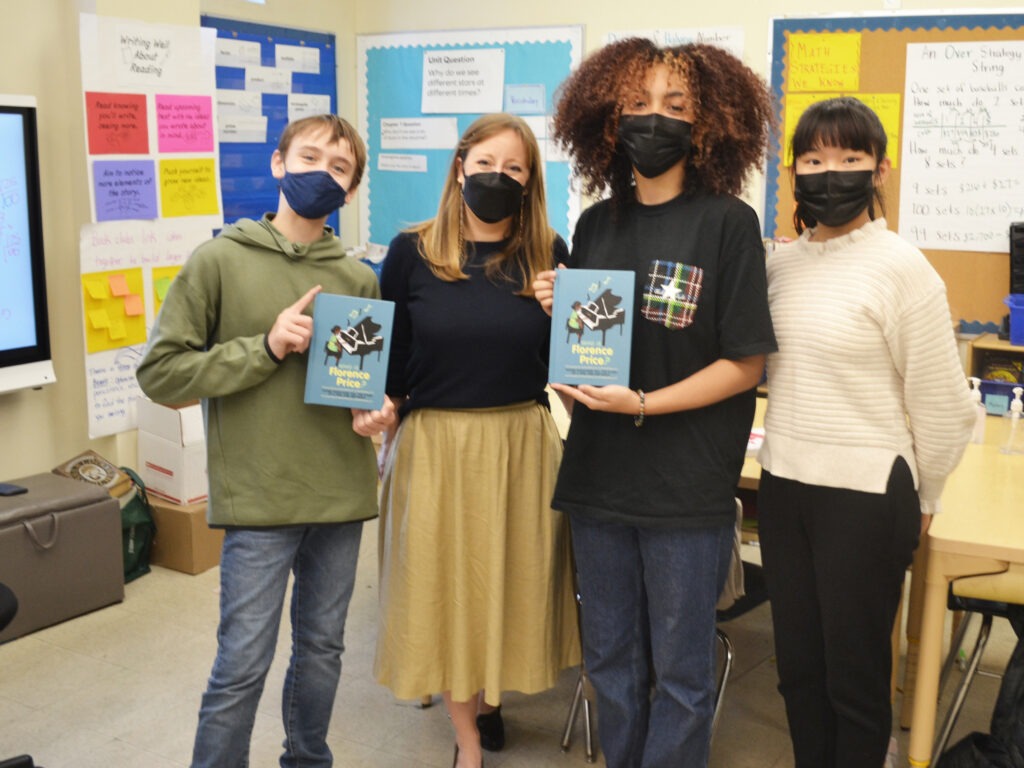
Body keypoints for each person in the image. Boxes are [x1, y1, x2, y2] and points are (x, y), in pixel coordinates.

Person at [533, 39, 776, 768]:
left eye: (675, 106)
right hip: (599, 479)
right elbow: (592, 347)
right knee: (609, 660)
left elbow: (745, 363)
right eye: (636, 105)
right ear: (606, 120)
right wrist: (558, 306)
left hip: (685, 486)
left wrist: (642, 403)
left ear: (706, 125)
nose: (652, 120)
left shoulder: (728, 223)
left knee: (681, 673)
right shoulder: (597, 226)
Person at [136, 114, 395, 768]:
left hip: (340, 495)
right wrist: (266, 348)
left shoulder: (361, 279)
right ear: (278, 164)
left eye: (338, 168)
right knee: (242, 662)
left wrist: (377, 413)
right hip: (258, 499)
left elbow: (365, 388)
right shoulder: (220, 260)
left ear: (352, 187)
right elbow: (162, 374)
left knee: (323, 654)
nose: (320, 174)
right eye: (307, 157)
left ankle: (308, 759)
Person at [756, 96, 975, 768]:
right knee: (797, 669)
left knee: (852, 679)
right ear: (794, 171)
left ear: (879, 170)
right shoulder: (778, 265)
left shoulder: (903, 268)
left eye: (850, 158)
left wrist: (929, 493)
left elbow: (943, 403)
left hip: (867, 494)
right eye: (815, 158)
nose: (831, 172)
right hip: (784, 485)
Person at [374, 113, 581, 768]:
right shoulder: (413, 250)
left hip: (521, 444)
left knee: (506, 583)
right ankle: (468, 740)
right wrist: (376, 408)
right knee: (444, 588)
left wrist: (561, 315)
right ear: (459, 166)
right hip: (436, 447)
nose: (498, 176)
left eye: (514, 168)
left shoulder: (550, 252)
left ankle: (490, 698)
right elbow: (391, 360)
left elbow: (575, 370)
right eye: (486, 162)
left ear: (530, 181)